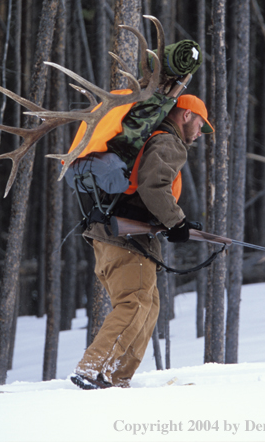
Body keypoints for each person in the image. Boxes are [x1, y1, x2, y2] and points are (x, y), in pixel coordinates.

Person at [70, 94, 214, 390]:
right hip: (126, 239)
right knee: (134, 303)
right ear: (186, 116)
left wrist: (175, 223)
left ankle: (116, 377)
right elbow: (154, 186)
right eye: (201, 124)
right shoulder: (167, 142)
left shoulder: (149, 139)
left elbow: (145, 189)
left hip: (116, 236)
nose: (200, 133)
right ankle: (93, 368)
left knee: (148, 307)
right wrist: (178, 222)